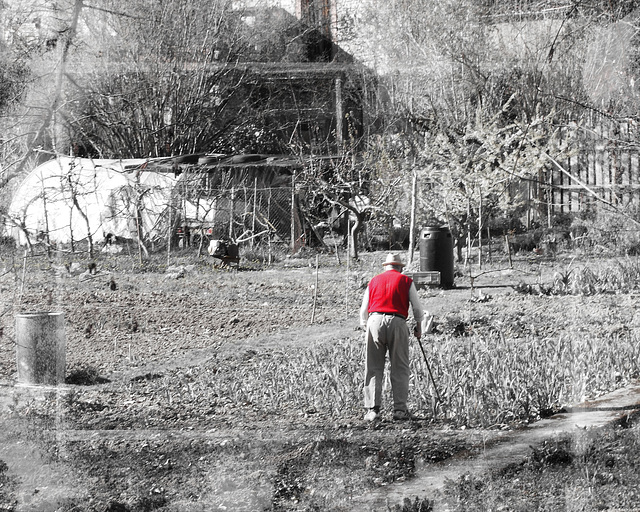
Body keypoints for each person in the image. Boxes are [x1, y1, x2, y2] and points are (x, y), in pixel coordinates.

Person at [359, 253, 426, 421]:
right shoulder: (406, 281)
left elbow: (363, 310)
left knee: (373, 366)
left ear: (386, 266)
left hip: (374, 320)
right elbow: (417, 308)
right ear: (400, 267)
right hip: (397, 321)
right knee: (400, 366)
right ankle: (399, 410)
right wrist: (419, 326)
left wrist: (365, 326)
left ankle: (373, 410)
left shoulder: (374, 281)